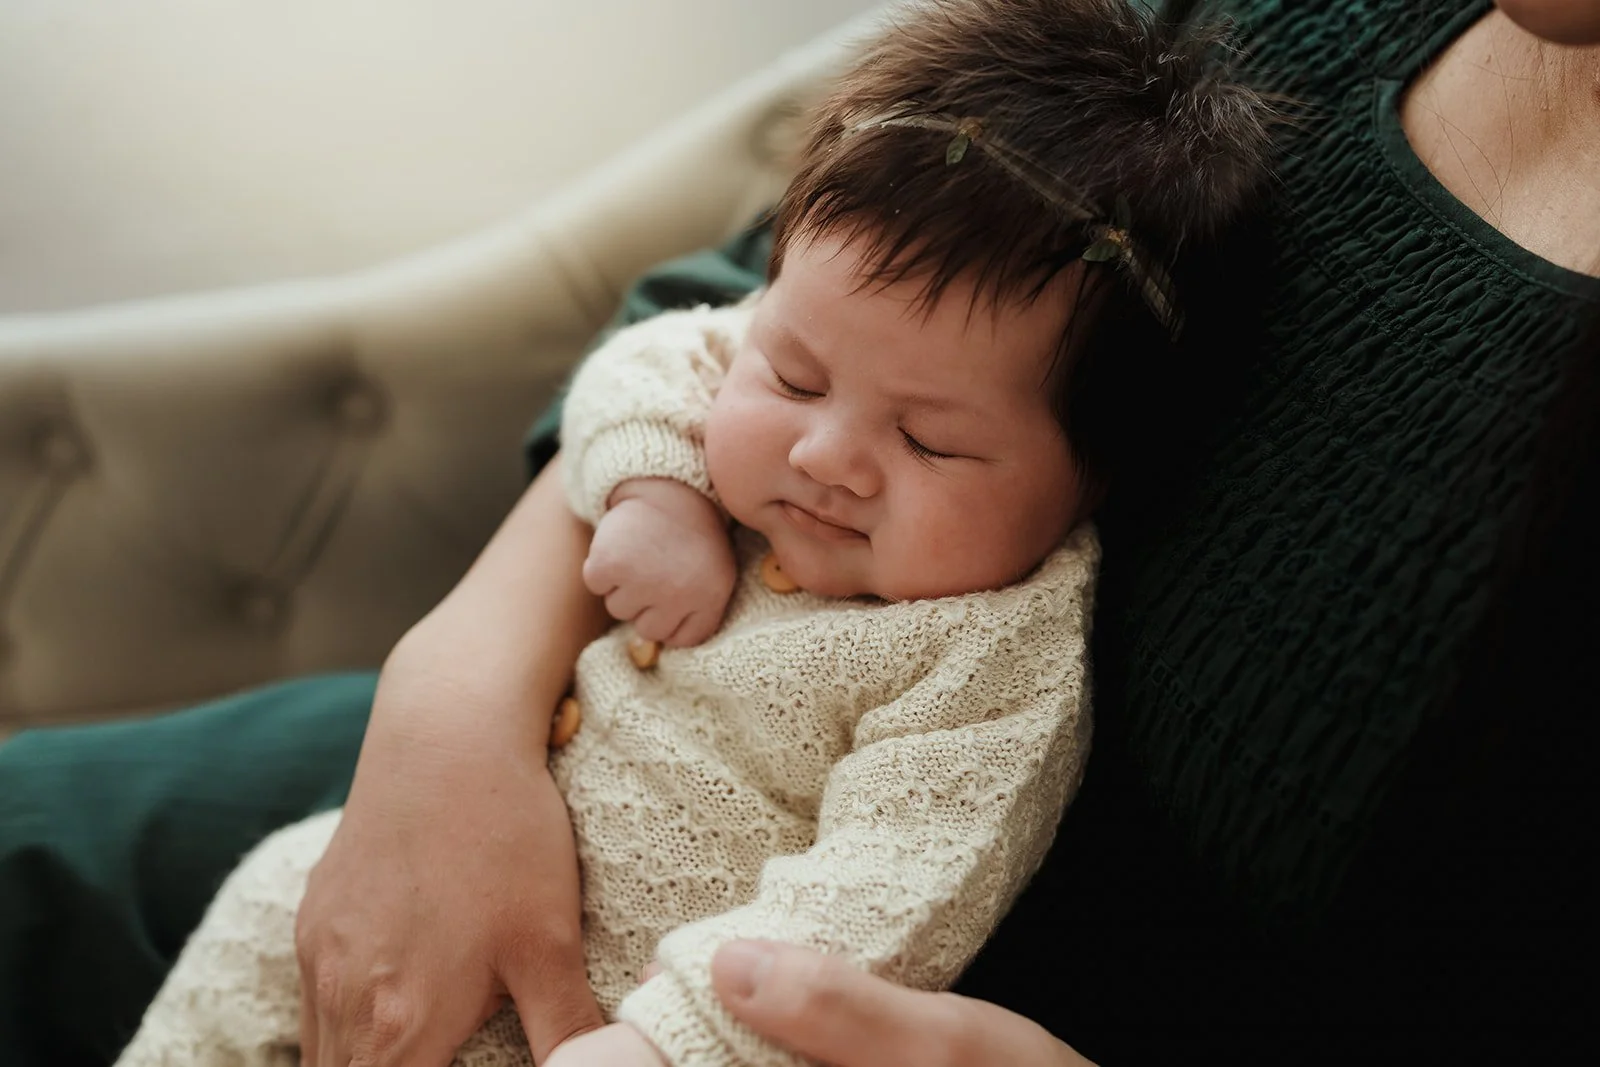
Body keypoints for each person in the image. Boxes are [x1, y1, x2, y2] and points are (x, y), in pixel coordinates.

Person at [0, 0, 1593, 1064]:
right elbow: (717, 322)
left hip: (667, 1002)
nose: (827, 454)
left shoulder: (983, 657)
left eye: (928, 437)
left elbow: (870, 905)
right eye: (804, 389)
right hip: (483, 749)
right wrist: (470, 676)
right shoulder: (1183, 74)